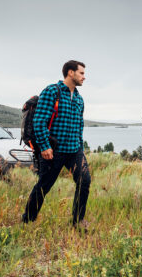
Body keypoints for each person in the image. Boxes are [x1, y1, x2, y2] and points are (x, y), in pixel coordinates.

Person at [22, 60, 91, 230]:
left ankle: (78, 220)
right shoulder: (52, 91)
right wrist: (45, 146)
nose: (84, 77)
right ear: (70, 73)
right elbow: (39, 121)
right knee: (44, 185)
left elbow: (79, 126)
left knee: (85, 181)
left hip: (74, 150)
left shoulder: (80, 99)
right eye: (81, 73)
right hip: (54, 151)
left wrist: (80, 148)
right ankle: (27, 220)